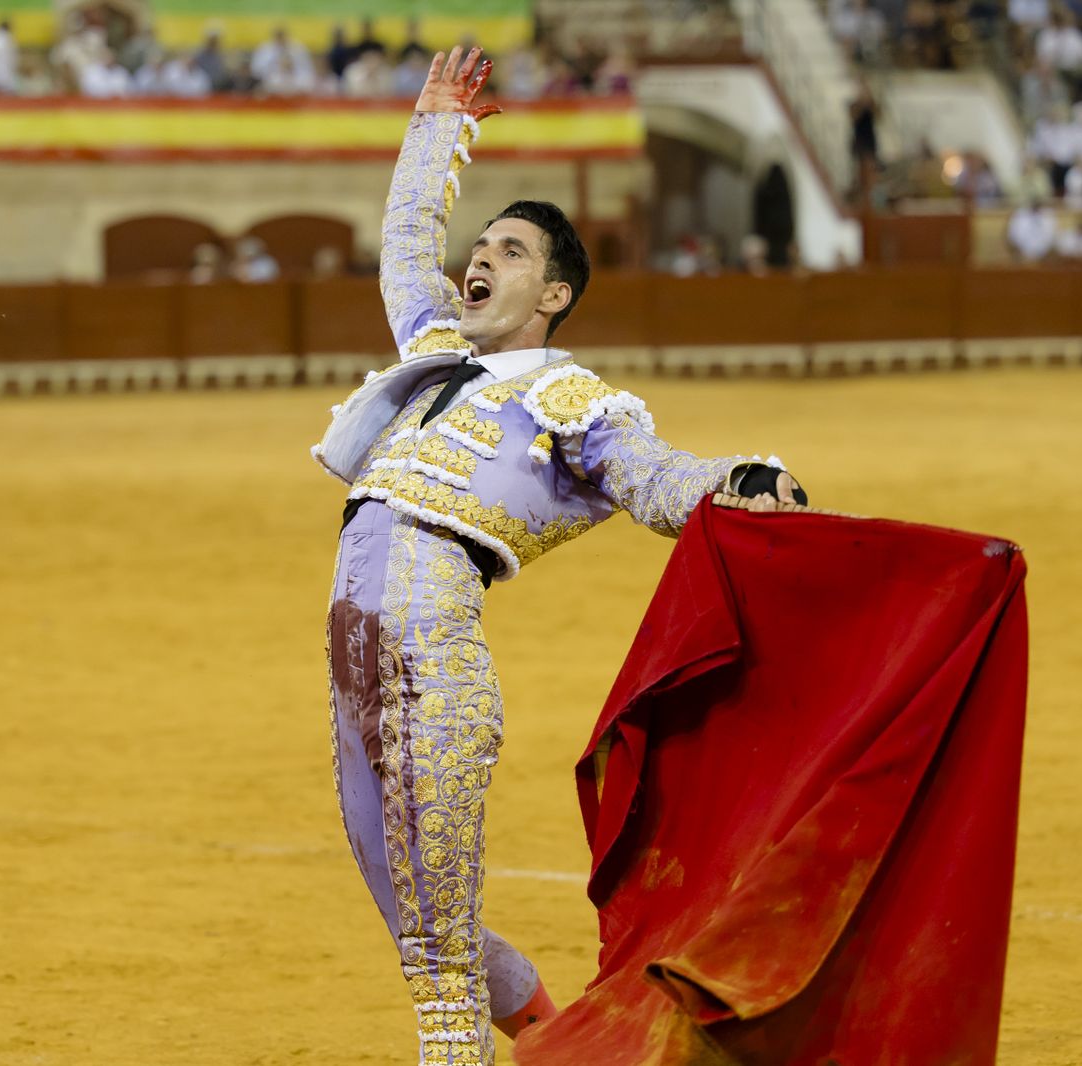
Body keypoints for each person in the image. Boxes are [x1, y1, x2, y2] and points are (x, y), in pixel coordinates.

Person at [312, 46, 806, 1065]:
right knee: (416, 926)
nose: (477, 257)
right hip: (352, 663)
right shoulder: (434, 349)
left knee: (438, 981)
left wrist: (741, 479)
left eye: (510, 250)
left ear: (551, 296)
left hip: (429, 654)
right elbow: (405, 244)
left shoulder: (567, 397)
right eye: (480, 243)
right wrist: (437, 119)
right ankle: (556, 1034)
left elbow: (655, 476)